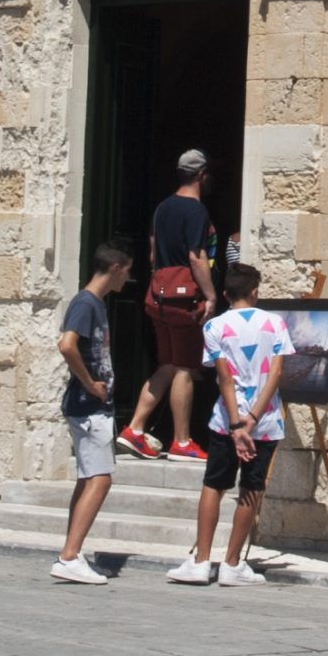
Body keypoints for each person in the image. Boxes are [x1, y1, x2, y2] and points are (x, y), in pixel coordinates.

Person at [168, 262, 295, 588]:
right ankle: (232, 563)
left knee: (214, 484)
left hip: (227, 421)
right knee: (251, 488)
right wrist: (252, 419)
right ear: (255, 291)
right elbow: (276, 373)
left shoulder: (214, 327)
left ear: (225, 294)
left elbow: (224, 377)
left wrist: (237, 422)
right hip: (264, 422)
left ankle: (200, 561)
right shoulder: (275, 323)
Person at [119, 148, 217, 462]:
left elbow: (151, 255)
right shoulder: (197, 210)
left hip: (158, 296)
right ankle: (182, 441)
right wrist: (211, 295)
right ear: (202, 175)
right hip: (184, 300)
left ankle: (134, 429)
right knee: (187, 367)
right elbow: (196, 258)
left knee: (168, 364)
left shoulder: (162, 208)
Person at [51, 241, 132, 585]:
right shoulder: (86, 303)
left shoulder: (93, 304)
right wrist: (89, 384)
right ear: (115, 268)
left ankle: (71, 552)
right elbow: (67, 345)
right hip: (89, 407)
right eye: (127, 271)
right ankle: (70, 556)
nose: (128, 279)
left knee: (89, 478)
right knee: (101, 479)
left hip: (91, 406)